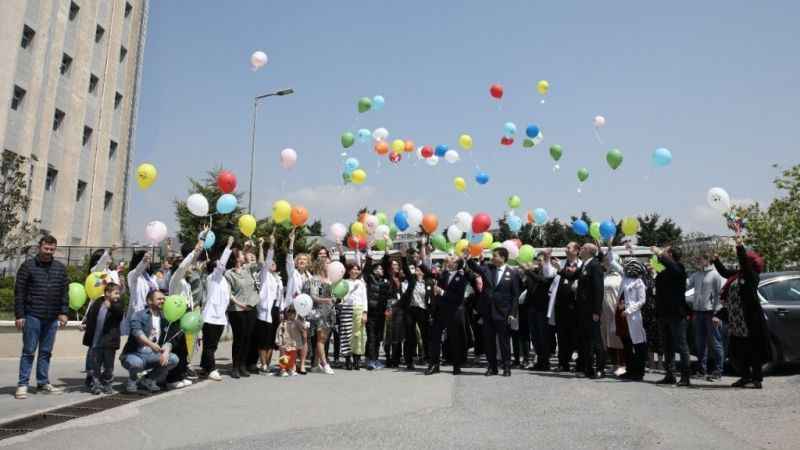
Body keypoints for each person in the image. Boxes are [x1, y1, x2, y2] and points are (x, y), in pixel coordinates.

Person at [14, 235, 70, 400]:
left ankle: (42, 382)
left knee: (46, 352)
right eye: (46, 248)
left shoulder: (60, 268)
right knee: (29, 351)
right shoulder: (28, 266)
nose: (48, 252)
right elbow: (19, 293)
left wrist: (64, 312)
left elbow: (64, 293)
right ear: (39, 247)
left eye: (52, 249)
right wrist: (20, 315)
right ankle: (22, 384)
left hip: (52, 317)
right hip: (32, 316)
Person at [713, 231, 770, 389]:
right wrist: (716, 260)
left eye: (744, 262)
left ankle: (757, 379)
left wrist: (739, 246)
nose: (740, 264)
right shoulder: (737, 275)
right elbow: (724, 272)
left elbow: (743, 261)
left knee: (754, 351)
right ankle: (745, 377)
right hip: (737, 320)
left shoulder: (752, 276)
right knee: (740, 351)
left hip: (750, 321)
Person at [469, 247, 522, 377]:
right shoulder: (488, 268)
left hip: (503, 313)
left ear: (503, 258)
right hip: (488, 312)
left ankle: (506, 366)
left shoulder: (513, 273)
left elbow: (515, 296)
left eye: (495, 255)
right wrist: (468, 258)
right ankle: (492, 367)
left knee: (504, 342)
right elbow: (475, 268)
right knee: (489, 341)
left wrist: (512, 313)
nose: (492, 258)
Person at [120, 289, 179, 393]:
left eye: (163, 299)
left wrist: (167, 351)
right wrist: (151, 344)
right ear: (149, 301)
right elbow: (137, 333)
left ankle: (148, 379)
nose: (162, 301)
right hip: (135, 353)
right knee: (137, 363)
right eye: (159, 299)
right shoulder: (139, 315)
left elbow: (169, 338)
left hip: (153, 354)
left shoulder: (165, 317)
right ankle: (132, 380)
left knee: (173, 359)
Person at [165, 235, 204, 389]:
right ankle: (171, 379)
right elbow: (183, 266)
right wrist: (195, 250)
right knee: (176, 346)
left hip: (186, 316)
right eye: (189, 267)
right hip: (176, 316)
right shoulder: (176, 279)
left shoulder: (185, 283)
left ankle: (180, 375)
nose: (192, 268)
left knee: (183, 348)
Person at [426, 253, 472, 376]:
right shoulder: (444, 274)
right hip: (440, 311)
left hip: (454, 312)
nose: (448, 259)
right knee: (435, 338)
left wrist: (441, 292)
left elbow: (458, 298)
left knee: (455, 339)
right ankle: (434, 365)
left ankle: (456, 366)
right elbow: (430, 273)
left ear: (456, 264)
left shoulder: (461, 277)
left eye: (452, 259)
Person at [652, 245, 691, 387]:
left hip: (676, 313)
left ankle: (686, 377)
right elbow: (655, 264)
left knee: (681, 345)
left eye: (667, 253)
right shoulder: (664, 270)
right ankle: (670, 374)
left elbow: (672, 267)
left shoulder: (679, 268)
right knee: (667, 345)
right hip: (663, 313)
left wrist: (660, 253)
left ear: (672, 256)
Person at [225, 240, 263, 378]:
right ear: (236, 258)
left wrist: (257, 246)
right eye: (241, 255)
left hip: (251, 307)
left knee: (247, 338)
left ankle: (243, 365)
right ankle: (235, 367)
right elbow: (228, 293)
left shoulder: (247, 269)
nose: (244, 256)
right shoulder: (229, 274)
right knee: (239, 339)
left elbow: (260, 263)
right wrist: (240, 304)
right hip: (237, 310)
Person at [200, 236, 234, 381]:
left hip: (220, 317)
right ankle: (211, 369)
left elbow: (228, 297)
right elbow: (221, 265)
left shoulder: (223, 280)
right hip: (210, 317)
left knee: (212, 345)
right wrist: (228, 247)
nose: (222, 266)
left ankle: (204, 366)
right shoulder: (213, 277)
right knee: (210, 345)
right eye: (218, 265)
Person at [688, 253, 725, 380]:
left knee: (715, 343)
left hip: (710, 313)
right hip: (698, 312)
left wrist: (717, 314)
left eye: (700, 259)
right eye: (698, 259)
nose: (698, 261)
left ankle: (718, 371)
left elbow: (718, 296)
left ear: (708, 260)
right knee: (700, 343)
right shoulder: (697, 274)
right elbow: (686, 283)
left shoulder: (715, 275)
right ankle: (701, 370)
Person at [82, 283, 124, 394]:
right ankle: (96, 385)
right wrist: (85, 323)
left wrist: (111, 306)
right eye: (116, 293)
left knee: (109, 366)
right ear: (107, 293)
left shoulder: (117, 304)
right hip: (96, 341)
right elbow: (91, 315)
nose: (118, 296)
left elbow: (119, 314)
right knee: (96, 365)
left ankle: (108, 384)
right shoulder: (98, 302)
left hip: (109, 342)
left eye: (118, 293)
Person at [252, 234, 284, 374]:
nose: (271, 264)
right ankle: (263, 364)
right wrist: (270, 245)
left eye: (273, 263)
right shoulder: (264, 276)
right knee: (263, 339)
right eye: (269, 263)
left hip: (276, 310)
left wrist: (282, 311)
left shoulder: (278, 279)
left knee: (272, 339)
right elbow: (266, 259)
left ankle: (268, 365)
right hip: (265, 310)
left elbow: (281, 296)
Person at [520, 251, 557, 371]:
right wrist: (524, 274)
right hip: (532, 309)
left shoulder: (549, 273)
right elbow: (527, 287)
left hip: (543, 309)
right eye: (537, 260)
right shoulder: (533, 273)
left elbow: (543, 281)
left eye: (541, 260)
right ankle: (539, 361)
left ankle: (545, 362)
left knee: (543, 336)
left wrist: (528, 271)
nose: (539, 263)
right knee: (535, 337)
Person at [303, 250, 336, 375]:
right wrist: (328, 299)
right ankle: (325, 363)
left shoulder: (329, 279)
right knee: (321, 339)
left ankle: (316, 364)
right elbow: (313, 296)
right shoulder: (315, 279)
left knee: (324, 338)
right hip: (319, 312)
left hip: (328, 312)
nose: (329, 265)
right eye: (327, 264)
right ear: (321, 265)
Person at [576, 243, 606, 379]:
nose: (580, 250)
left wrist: (596, 311)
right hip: (583, 310)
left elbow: (598, 290)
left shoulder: (595, 265)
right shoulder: (584, 265)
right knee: (586, 340)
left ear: (588, 250)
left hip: (591, 310)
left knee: (596, 340)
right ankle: (588, 368)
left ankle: (600, 368)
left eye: (582, 248)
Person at [285, 230, 312, 375]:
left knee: (304, 338)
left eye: (304, 259)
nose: (302, 261)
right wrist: (291, 241)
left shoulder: (310, 276)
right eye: (299, 259)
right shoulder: (292, 272)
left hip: (304, 312)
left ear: (308, 263)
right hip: (291, 309)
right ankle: (290, 365)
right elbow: (289, 257)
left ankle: (302, 365)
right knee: (289, 339)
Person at [617, 260, 648, 381]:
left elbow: (641, 301)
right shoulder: (625, 279)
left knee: (638, 344)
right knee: (627, 344)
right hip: (622, 316)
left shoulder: (639, 282)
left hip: (633, 316)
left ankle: (639, 372)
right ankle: (629, 370)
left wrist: (629, 310)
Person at [553, 242, 582, 372]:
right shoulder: (561, 263)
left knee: (576, 336)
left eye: (568, 247)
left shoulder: (581, 265)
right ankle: (562, 363)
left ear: (576, 251)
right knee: (562, 336)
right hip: (560, 307)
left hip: (575, 307)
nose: (565, 249)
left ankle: (578, 363)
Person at [363, 251, 391, 370]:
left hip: (381, 313)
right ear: (374, 271)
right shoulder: (370, 278)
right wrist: (369, 257)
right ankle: (370, 360)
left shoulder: (384, 281)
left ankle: (374, 359)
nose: (382, 270)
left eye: (382, 269)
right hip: (371, 312)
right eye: (379, 269)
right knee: (371, 337)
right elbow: (366, 270)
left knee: (378, 337)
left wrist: (386, 254)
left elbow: (385, 265)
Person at [600, 248, 625, 374]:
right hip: (604, 313)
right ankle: (614, 364)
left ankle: (622, 364)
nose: (605, 263)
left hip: (615, 311)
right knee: (608, 338)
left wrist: (608, 247)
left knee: (617, 338)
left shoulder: (621, 275)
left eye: (607, 261)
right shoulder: (604, 276)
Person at [125, 249, 157, 336]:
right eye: (146, 259)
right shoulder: (132, 275)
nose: (148, 262)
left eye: (149, 260)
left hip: (152, 312)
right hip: (139, 312)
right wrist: (144, 261)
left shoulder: (151, 277)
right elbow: (138, 270)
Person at [276, 305, 306, 377]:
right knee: (284, 355)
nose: (291, 314)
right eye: (289, 312)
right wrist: (279, 341)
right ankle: (282, 369)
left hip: (293, 342)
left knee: (292, 355)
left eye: (293, 312)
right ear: (286, 313)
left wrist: (303, 324)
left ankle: (290, 368)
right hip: (284, 342)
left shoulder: (297, 322)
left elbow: (302, 329)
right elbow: (279, 332)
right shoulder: (283, 323)